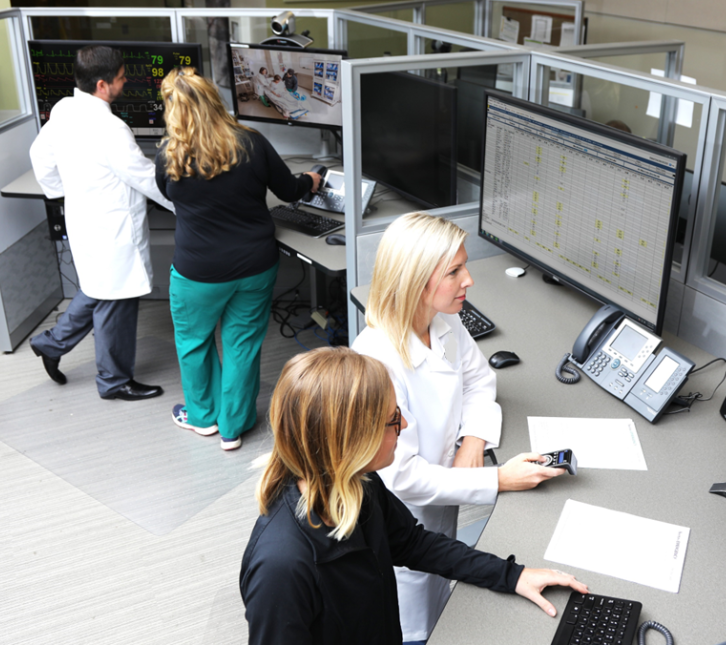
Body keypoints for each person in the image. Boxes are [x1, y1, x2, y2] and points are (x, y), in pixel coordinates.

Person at [240, 347, 588, 645]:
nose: (404, 425)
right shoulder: (280, 567)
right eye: (393, 419)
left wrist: (511, 575)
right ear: (353, 439)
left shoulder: (358, 482)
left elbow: (413, 544)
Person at [351, 212, 566, 643]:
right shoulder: (376, 360)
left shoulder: (443, 321)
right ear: (415, 281)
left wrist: (472, 443)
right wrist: (499, 478)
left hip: (443, 503)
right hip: (403, 520)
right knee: (414, 620)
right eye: (454, 271)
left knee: (442, 585)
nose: (469, 280)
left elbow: (481, 380)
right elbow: (402, 476)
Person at [155, 67, 321, 451]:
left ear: (172, 110)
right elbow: (289, 189)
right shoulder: (252, 142)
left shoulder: (169, 154)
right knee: (242, 344)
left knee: (194, 343)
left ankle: (202, 418)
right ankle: (233, 426)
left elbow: (168, 196)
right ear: (215, 99)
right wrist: (312, 179)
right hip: (254, 266)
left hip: (198, 272)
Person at [28, 45, 174, 401]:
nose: (126, 83)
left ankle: (51, 343)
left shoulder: (64, 109)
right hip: (113, 230)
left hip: (84, 219)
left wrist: (66, 191)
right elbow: (142, 176)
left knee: (97, 288)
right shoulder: (111, 127)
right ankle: (113, 381)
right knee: (116, 301)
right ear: (102, 85)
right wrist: (185, 203)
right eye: (122, 78)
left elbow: (39, 156)